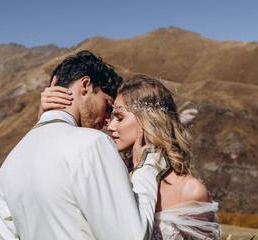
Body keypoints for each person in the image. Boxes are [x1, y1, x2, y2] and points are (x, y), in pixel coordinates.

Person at [0, 51, 167, 240]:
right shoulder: (92, 144)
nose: (108, 120)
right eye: (108, 106)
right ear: (85, 85)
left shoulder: (4, 171)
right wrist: (146, 169)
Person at [41, 74, 222, 239]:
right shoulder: (113, 178)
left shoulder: (190, 191)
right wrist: (44, 115)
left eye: (119, 118)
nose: (110, 126)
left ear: (148, 120)